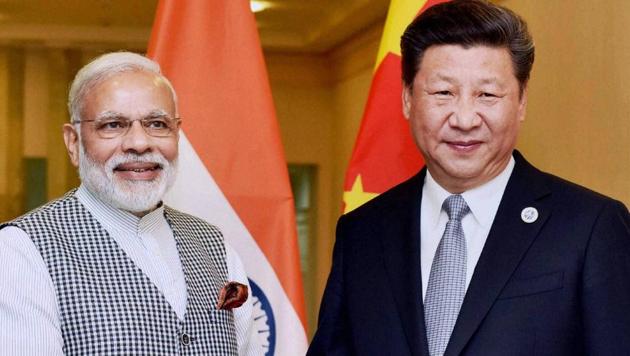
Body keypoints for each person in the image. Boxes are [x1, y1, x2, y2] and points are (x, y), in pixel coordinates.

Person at [308, 1, 630, 355]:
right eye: (443, 92)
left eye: (487, 95)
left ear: (521, 101)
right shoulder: (363, 233)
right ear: (407, 99)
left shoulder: (591, 228)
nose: (464, 119)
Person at [0, 52, 258, 355]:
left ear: (177, 134)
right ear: (74, 142)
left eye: (157, 123)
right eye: (113, 125)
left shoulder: (216, 245)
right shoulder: (20, 251)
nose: (139, 143)